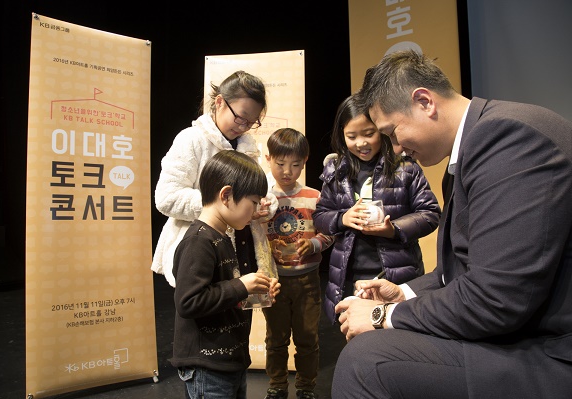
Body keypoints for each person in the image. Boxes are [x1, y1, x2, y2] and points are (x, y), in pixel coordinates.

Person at [333, 49, 572, 399]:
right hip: (527, 335)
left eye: (393, 132)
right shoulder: (475, 148)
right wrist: (405, 293)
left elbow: (495, 300)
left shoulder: (508, 140)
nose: (395, 148)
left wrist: (385, 314)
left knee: (365, 361)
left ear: (425, 101)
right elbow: (459, 273)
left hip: (551, 351)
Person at [312, 93, 441, 324]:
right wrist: (343, 218)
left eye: (369, 134)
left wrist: (394, 230)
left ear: (381, 130)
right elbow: (320, 216)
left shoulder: (405, 167)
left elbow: (430, 213)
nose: (361, 143)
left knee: (397, 340)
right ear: (341, 136)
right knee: (354, 339)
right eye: (351, 136)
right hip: (349, 276)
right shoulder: (336, 170)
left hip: (396, 274)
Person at [151, 70, 277, 288]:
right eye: (240, 117)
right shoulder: (191, 140)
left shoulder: (247, 146)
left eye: (252, 122)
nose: (244, 126)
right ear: (220, 102)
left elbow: (256, 190)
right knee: (206, 308)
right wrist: (221, 205)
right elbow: (166, 197)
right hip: (201, 249)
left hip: (243, 249)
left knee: (238, 312)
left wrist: (264, 204)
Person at [172, 150, 280, 399]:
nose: (255, 211)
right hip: (207, 368)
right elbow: (189, 302)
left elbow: (222, 295)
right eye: (252, 203)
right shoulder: (198, 242)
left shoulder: (223, 237)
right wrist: (242, 285)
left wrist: (255, 292)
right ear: (227, 195)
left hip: (230, 361)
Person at [260, 128, 334, 399]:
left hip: (307, 280)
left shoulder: (315, 196)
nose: (287, 171)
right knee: (275, 339)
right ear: (268, 159)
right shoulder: (263, 198)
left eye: (295, 165)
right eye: (280, 164)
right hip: (275, 281)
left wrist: (314, 244)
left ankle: (306, 387)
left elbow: (330, 232)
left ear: (305, 161)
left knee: (307, 338)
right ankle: (277, 386)